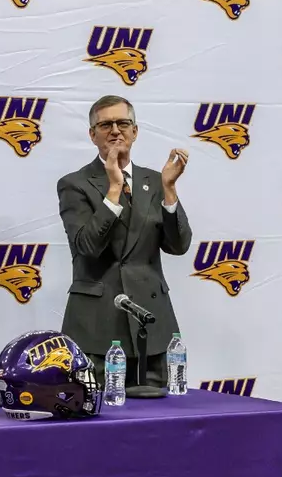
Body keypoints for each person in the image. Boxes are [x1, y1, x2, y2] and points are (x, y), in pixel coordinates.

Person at [57, 96, 190, 386]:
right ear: (92, 135)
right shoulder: (74, 184)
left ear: (135, 131)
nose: (115, 130)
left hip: (152, 326)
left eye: (123, 123)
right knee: (97, 423)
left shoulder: (156, 181)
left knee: (159, 421)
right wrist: (115, 188)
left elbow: (178, 246)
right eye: (105, 124)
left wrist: (169, 191)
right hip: (97, 327)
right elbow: (87, 247)